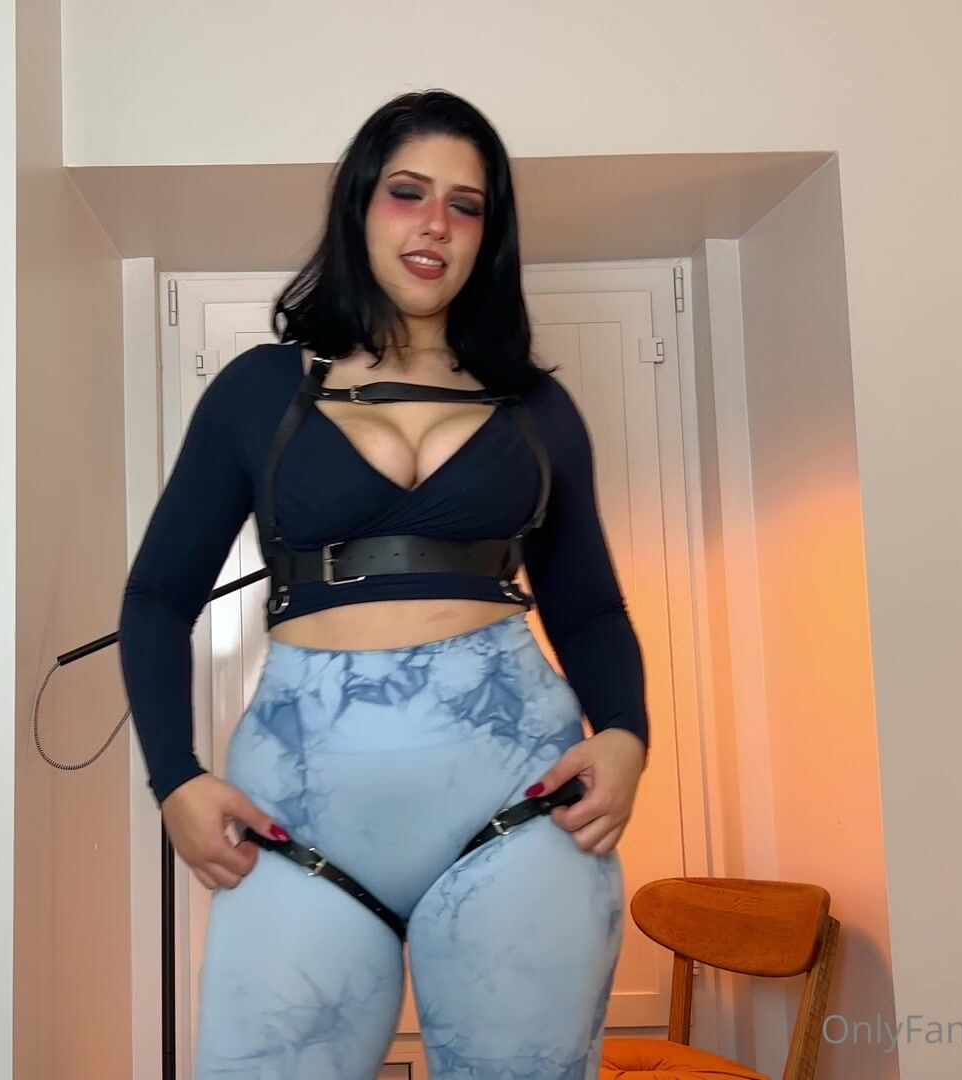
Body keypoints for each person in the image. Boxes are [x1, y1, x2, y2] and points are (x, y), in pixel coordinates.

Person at [118, 89, 650, 1079]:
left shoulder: (537, 406)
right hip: (299, 817)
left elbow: (589, 606)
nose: (435, 223)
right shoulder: (261, 388)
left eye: (466, 204)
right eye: (408, 193)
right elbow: (155, 599)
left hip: (515, 810)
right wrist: (174, 779)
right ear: (360, 205)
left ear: (488, 235)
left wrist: (626, 734)